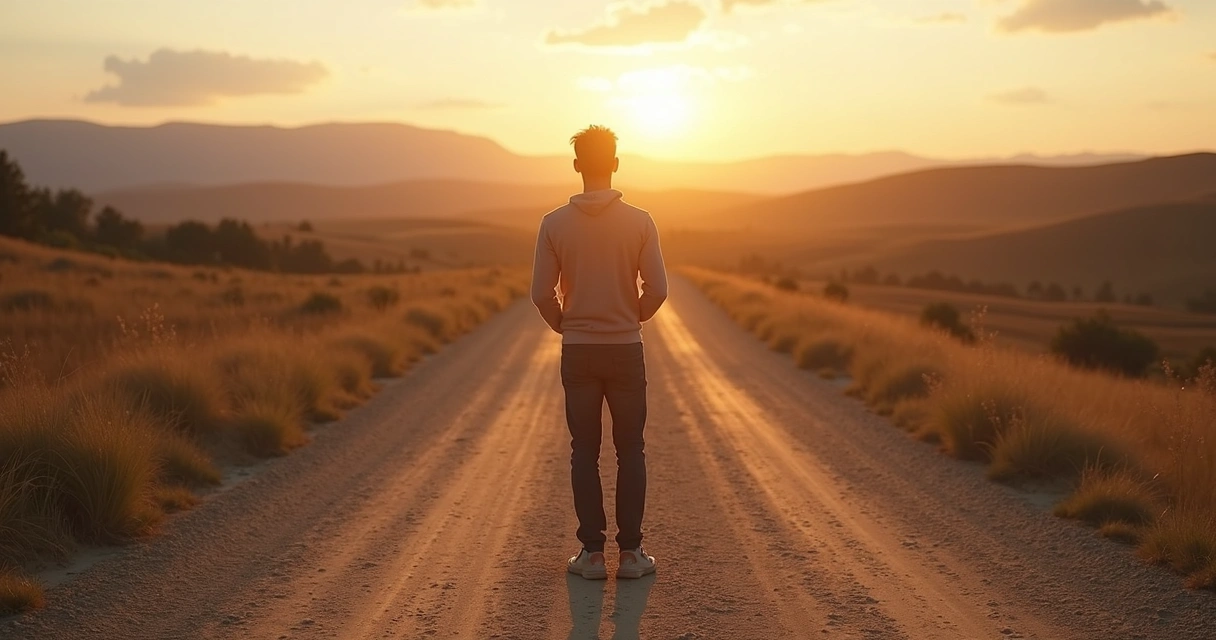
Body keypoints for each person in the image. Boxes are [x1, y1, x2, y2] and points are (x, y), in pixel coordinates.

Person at [530, 125, 668, 580]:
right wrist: (633, 317)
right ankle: (631, 556)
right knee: (631, 450)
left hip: (579, 352)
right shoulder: (641, 221)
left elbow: (540, 294)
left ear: (576, 166)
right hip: (626, 348)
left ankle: (591, 556)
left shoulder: (553, 223)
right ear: (614, 162)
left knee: (583, 451)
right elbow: (659, 290)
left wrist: (566, 324)